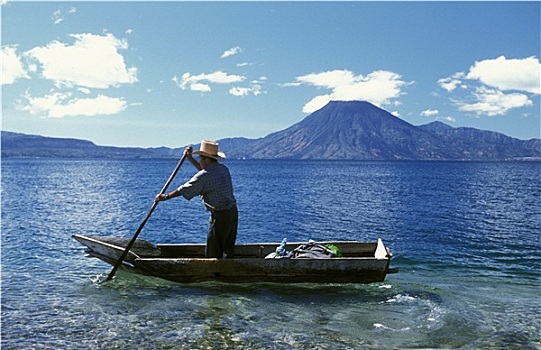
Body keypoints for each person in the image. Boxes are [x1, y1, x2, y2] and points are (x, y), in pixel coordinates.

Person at [155, 140, 238, 258]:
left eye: (200, 159)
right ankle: (227, 268)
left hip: (221, 216)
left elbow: (185, 189)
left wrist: (166, 196)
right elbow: (204, 172)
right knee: (227, 248)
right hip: (232, 212)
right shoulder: (222, 169)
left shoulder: (205, 175)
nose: (199, 161)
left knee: (214, 250)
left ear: (207, 159)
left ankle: (214, 272)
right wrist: (189, 158)